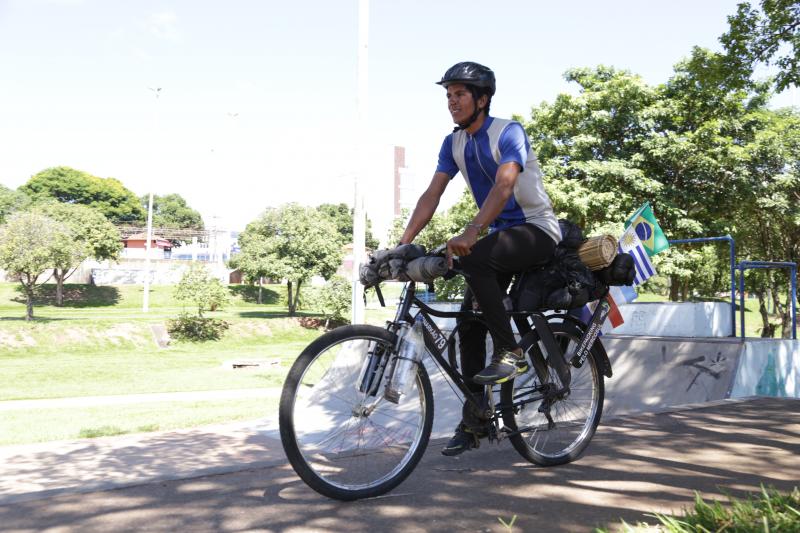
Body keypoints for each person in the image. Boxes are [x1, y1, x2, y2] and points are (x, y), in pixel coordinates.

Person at [398, 61, 562, 456]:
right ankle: (475, 419)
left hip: (537, 230)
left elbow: (505, 185)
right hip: (499, 238)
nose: (452, 102)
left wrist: (471, 231)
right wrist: (402, 244)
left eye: (460, 95)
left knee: (474, 260)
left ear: (483, 99)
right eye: (448, 96)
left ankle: (512, 352)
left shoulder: (509, 132)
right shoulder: (453, 143)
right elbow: (432, 194)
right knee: (469, 327)